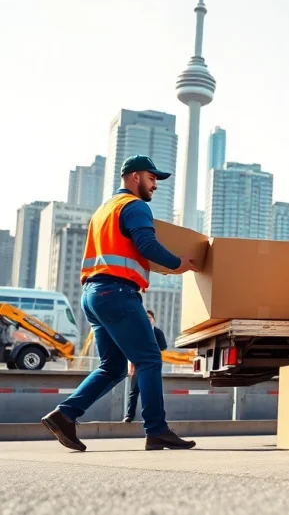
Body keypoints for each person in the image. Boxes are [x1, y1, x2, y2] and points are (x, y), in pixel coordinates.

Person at [41, 155, 199, 452]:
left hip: (94, 295)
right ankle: (157, 430)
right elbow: (146, 244)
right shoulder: (135, 206)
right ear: (135, 177)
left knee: (113, 367)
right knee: (150, 359)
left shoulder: (104, 210)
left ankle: (65, 415)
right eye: (152, 178)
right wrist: (179, 264)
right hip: (117, 293)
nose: (155, 185)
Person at [124, 309, 168, 423]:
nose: (147, 320)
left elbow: (163, 347)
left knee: (152, 392)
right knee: (133, 392)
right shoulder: (138, 333)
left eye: (149, 318)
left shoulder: (158, 333)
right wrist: (131, 366)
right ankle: (129, 415)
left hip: (153, 365)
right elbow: (131, 349)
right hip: (139, 365)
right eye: (145, 318)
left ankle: (153, 418)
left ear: (153, 320)